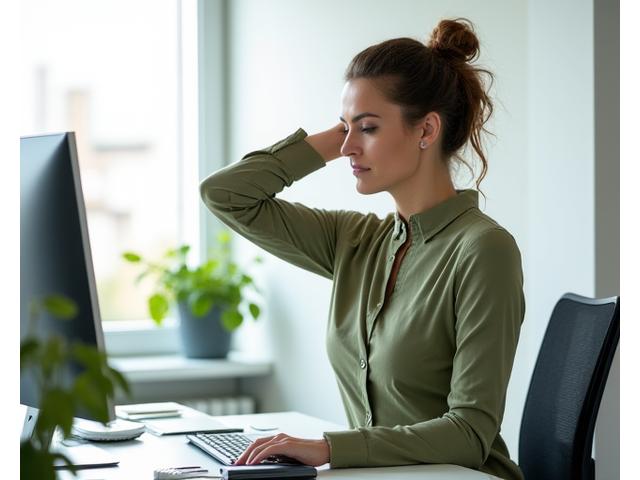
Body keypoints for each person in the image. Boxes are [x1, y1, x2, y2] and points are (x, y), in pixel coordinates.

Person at [200, 17, 525, 480]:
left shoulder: (483, 249)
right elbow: (226, 195)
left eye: (367, 129)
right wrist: (338, 139)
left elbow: (469, 434)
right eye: (343, 129)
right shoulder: (355, 241)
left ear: (426, 130)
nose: (349, 147)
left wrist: (329, 447)